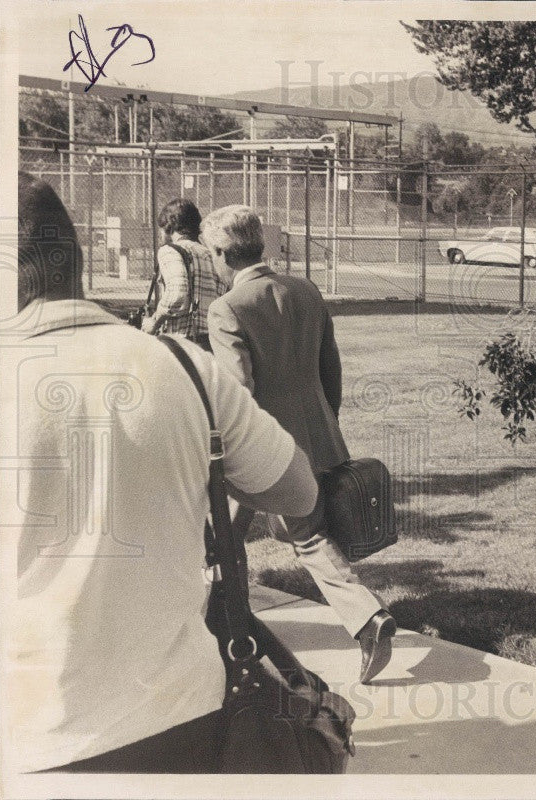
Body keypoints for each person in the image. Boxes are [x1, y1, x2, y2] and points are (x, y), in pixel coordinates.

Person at [5, 174, 318, 773]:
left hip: (34, 739)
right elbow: (296, 489)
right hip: (187, 721)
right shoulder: (185, 366)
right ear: (72, 258)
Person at [202, 205, 396, 684]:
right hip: (316, 433)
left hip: (259, 448)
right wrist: (324, 423)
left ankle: (363, 620)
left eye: (211, 254)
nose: (211, 261)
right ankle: (221, 620)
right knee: (271, 537)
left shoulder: (227, 308)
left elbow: (238, 391)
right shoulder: (305, 290)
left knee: (243, 538)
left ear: (223, 253)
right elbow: (332, 369)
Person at [141, 198, 225, 350]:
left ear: (169, 226)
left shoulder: (169, 251)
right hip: (211, 343)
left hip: (182, 342)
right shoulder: (210, 255)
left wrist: (154, 322)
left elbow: (177, 292)